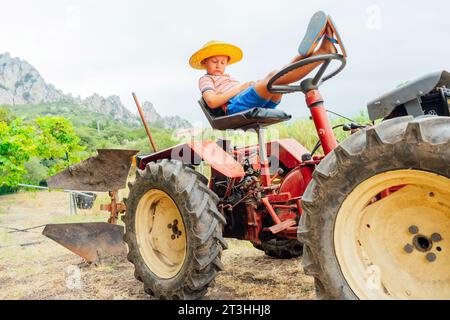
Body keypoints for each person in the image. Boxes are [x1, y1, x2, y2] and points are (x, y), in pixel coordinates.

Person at [189, 11, 345, 116]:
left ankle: (305, 54)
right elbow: (211, 101)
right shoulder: (206, 79)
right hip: (234, 108)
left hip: (257, 101)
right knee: (272, 76)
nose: (219, 66)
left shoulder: (228, 78)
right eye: (215, 62)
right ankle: (320, 51)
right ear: (204, 63)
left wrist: (247, 86)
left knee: (276, 75)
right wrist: (241, 87)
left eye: (223, 62)